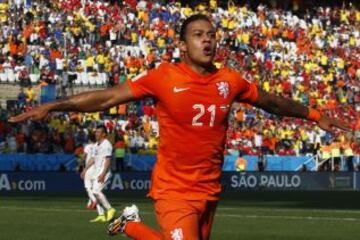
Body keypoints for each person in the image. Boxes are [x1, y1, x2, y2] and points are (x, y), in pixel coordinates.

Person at [8, 14, 350, 240]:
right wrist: (56, 105)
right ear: (183, 45)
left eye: (212, 35)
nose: (208, 41)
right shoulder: (164, 76)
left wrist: (316, 115)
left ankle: (129, 223)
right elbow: (107, 98)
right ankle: (130, 224)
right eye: (199, 35)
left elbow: (272, 103)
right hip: (173, 190)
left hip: (210, 191)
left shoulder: (229, 80)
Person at [82, 126, 116, 222]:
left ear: (104, 134)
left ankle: (110, 209)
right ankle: (101, 215)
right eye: (96, 132)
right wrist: (85, 170)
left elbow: (108, 160)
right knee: (93, 192)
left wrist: (103, 173)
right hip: (96, 171)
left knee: (96, 191)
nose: (96, 133)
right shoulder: (96, 145)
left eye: (99, 132)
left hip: (103, 172)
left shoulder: (107, 145)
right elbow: (93, 159)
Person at [80, 133, 97, 210]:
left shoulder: (88, 146)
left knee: (88, 187)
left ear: (89, 139)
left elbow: (84, 156)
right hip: (97, 169)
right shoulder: (97, 146)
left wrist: (79, 164)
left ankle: (94, 200)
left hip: (89, 168)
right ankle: (90, 203)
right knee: (93, 188)